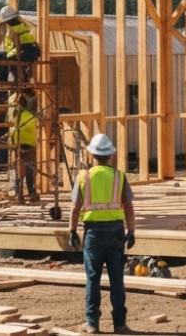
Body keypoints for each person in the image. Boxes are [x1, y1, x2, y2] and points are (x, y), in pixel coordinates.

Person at [69, 134, 136, 335]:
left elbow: (75, 208)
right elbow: (129, 208)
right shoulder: (119, 176)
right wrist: (131, 231)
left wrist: (72, 230)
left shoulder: (83, 177)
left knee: (92, 278)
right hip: (115, 232)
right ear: (111, 155)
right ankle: (120, 324)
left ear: (92, 155)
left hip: (93, 233)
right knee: (117, 278)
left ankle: (92, 324)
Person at [0, 4, 41, 83]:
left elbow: (16, 48)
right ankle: (23, 82)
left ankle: (2, 80)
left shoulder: (12, 30)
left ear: (8, 20)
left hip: (23, 52)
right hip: (32, 53)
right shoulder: (23, 26)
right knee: (12, 60)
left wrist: (10, 53)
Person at [7, 92, 38, 202]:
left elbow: (14, 129)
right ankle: (31, 191)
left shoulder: (18, 116)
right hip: (29, 145)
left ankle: (17, 190)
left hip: (20, 145)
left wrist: (9, 139)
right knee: (29, 169)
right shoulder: (30, 116)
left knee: (17, 169)